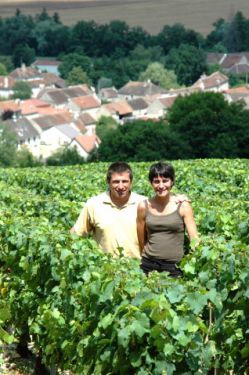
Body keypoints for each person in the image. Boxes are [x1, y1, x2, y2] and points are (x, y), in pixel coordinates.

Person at [71, 161, 189, 260]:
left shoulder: (144, 204)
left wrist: (176, 198)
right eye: (116, 182)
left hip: (138, 269)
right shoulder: (93, 204)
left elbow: (164, 203)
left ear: (131, 182)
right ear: (108, 182)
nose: (121, 186)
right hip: (104, 270)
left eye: (125, 181)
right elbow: (75, 234)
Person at [137, 161, 199, 276]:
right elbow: (141, 239)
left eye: (165, 181)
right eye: (156, 181)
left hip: (175, 267)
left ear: (172, 182)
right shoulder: (143, 206)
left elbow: (194, 239)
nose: (161, 186)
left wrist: (193, 261)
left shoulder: (183, 206)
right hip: (148, 265)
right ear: (151, 183)